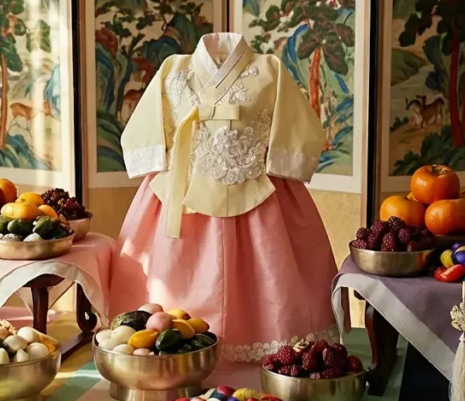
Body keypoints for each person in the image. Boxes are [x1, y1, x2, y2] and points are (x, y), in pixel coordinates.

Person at [109, 33, 342, 362]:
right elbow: (144, 126)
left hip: (259, 202)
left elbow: (298, 126)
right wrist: (149, 159)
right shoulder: (173, 68)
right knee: (171, 284)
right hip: (181, 195)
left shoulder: (270, 70)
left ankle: (274, 357)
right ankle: (172, 356)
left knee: (269, 279)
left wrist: (287, 161)